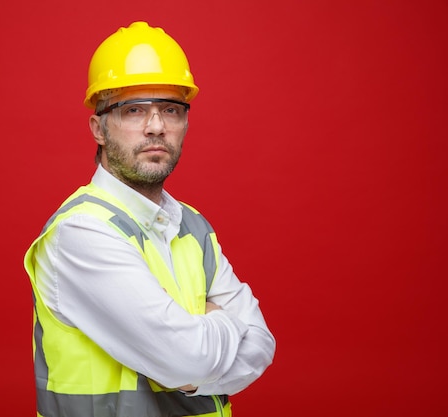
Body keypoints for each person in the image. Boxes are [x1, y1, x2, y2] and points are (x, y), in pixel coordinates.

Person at [24, 21, 275, 417]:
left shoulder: (194, 226)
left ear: (185, 123)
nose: (156, 126)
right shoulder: (81, 232)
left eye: (170, 110)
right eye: (134, 109)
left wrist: (195, 357)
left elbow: (261, 345)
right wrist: (221, 330)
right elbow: (188, 360)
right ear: (99, 128)